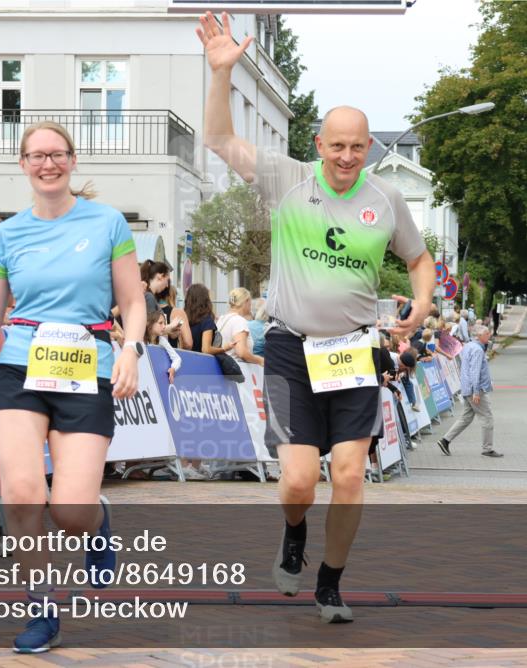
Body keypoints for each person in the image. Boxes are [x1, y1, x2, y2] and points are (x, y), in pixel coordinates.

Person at [197, 11, 434, 624]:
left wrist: (423, 303)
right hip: (289, 348)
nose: (347, 156)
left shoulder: (385, 200)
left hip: (353, 351)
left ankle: (330, 582)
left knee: (351, 475)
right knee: (300, 482)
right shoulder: (286, 180)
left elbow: (420, 259)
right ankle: (294, 531)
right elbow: (221, 141)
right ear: (319, 146)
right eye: (337, 145)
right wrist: (221, 73)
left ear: (370, 148)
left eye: (358, 146)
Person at [0, 120, 145, 653]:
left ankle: (98, 519)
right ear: (23, 165)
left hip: (86, 367)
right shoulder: (7, 232)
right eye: (36, 156)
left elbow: (133, 302)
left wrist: (131, 350)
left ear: (72, 160)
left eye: (57, 155)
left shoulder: (108, 222)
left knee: (69, 512)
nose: (47, 164)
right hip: (21, 366)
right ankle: (42, 609)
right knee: (21, 493)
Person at [436, 325, 502, 458]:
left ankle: (445, 440)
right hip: (474, 389)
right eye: (487, 334)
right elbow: (474, 371)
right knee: (487, 417)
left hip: (467, 387)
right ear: (480, 336)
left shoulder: (468, 346)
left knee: (466, 417)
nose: (489, 336)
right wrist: (476, 391)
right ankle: (487, 448)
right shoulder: (477, 350)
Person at [217, 287, 265, 366]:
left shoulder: (222, 319)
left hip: (223, 368)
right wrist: (260, 360)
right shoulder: (239, 321)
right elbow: (242, 352)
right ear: (246, 301)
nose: (251, 305)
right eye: (250, 301)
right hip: (238, 370)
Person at [184, 283, 235, 356]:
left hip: (185, 359)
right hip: (202, 363)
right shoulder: (207, 320)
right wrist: (224, 348)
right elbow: (206, 349)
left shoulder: (184, 318)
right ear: (205, 300)